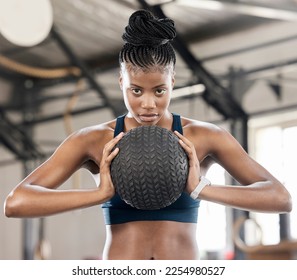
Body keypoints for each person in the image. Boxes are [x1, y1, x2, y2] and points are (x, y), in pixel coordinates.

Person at [4, 9, 292, 260]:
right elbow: (16, 203)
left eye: (160, 90)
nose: (148, 104)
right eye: (136, 90)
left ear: (173, 82)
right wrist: (99, 194)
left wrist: (202, 189)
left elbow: (281, 198)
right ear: (121, 82)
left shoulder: (204, 137)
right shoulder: (93, 140)